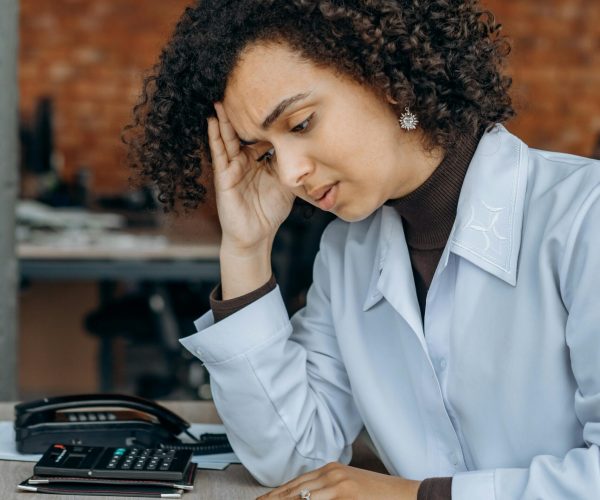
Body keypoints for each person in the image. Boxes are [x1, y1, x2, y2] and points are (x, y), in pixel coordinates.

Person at [124, 1, 600, 498]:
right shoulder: (349, 252)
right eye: (265, 153)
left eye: (301, 124)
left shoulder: (585, 216)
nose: (288, 174)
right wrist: (247, 249)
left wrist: (416, 495)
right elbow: (293, 456)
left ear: (390, 81)